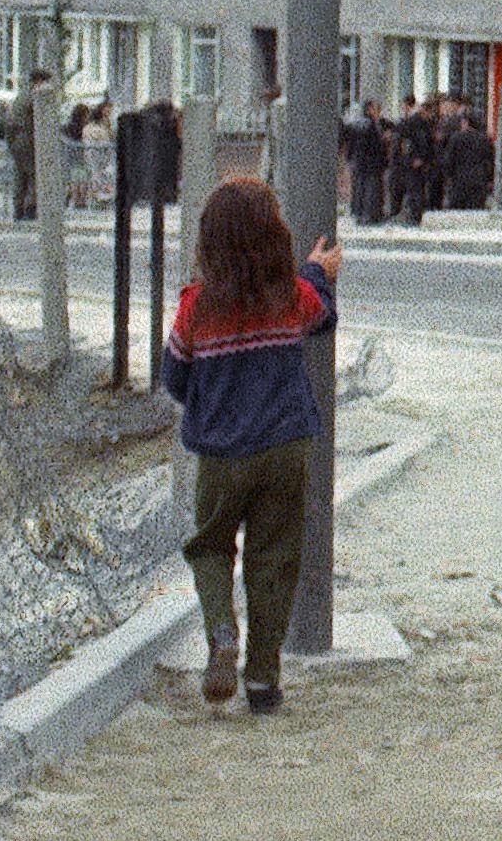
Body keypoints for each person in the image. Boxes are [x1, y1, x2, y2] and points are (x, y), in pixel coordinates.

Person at [161, 177, 341, 716]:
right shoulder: (290, 295)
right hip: (287, 446)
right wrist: (318, 272)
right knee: (274, 558)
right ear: (274, 237)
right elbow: (322, 316)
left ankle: (221, 633)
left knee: (211, 546)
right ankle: (263, 679)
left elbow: (173, 378)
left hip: (220, 453)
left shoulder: (195, 307)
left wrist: (212, 395)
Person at [0, 66, 54, 222]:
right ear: (38, 81)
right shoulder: (36, 97)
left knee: (20, 176)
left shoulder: (20, 97)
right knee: (34, 175)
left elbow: (9, 122)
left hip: (17, 141)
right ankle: (30, 208)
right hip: (29, 141)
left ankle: (18, 209)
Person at [441, 96, 495, 211]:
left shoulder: (456, 138)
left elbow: (449, 159)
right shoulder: (485, 139)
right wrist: (490, 179)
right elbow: (491, 160)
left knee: (458, 212)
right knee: (476, 211)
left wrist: (448, 176)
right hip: (479, 180)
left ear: (465, 123)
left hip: (459, 180)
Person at [343, 99, 391, 226]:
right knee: (372, 190)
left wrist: (350, 159)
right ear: (369, 110)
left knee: (360, 189)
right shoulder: (371, 125)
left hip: (358, 163)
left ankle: (359, 214)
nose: (378, 112)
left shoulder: (356, 124)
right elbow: (375, 146)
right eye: (376, 109)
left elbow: (350, 145)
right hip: (371, 164)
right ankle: (370, 215)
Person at [393, 94, 440, 225]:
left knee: (416, 190)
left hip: (416, 163)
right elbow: (409, 143)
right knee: (415, 191)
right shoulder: (415, 123)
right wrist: (414, 159)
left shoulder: (420, 123)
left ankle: (413, 216)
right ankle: (413, 217)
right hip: (413, 163)